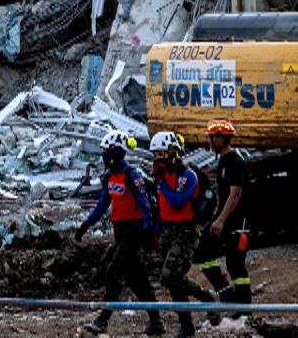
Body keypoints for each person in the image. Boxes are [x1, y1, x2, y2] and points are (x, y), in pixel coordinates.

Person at [76, 130, 164, 337]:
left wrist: (148, 232)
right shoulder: (110, 177)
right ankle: (156, 321)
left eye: (106, 151)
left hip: (133, 232)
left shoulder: (131, 175)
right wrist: (85, 225)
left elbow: (145, 205)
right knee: (136, 278)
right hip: (119, 231)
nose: (103, 155)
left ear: (116, 152)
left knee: (114, 270)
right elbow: (102, 205)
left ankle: (102, 320)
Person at [149, 131, 216, 337]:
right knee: (173, 282)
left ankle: (207, 298)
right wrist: (156, 231)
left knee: (169, 275)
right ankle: (186, 326)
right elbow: (163, 208)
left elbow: (177, 201)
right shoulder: (164, 175)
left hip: (186, 231)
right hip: (168, 230)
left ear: (173, 152)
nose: (158, 159)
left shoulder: (188, 175)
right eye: (156, 155)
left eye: (162, 154)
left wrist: (161, 184)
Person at [192, 119, 250, 312]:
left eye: (211, 138)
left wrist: (221, 220)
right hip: (222, 219)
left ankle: (244, 310)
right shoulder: (222, 162)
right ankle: (226, 293)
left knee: (235, 265)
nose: (209, 142)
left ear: (221, 138)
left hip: (237, 222)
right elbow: (223, 195)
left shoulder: (235, 162)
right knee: (200, 251)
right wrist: (214, 218)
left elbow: (235, 194)